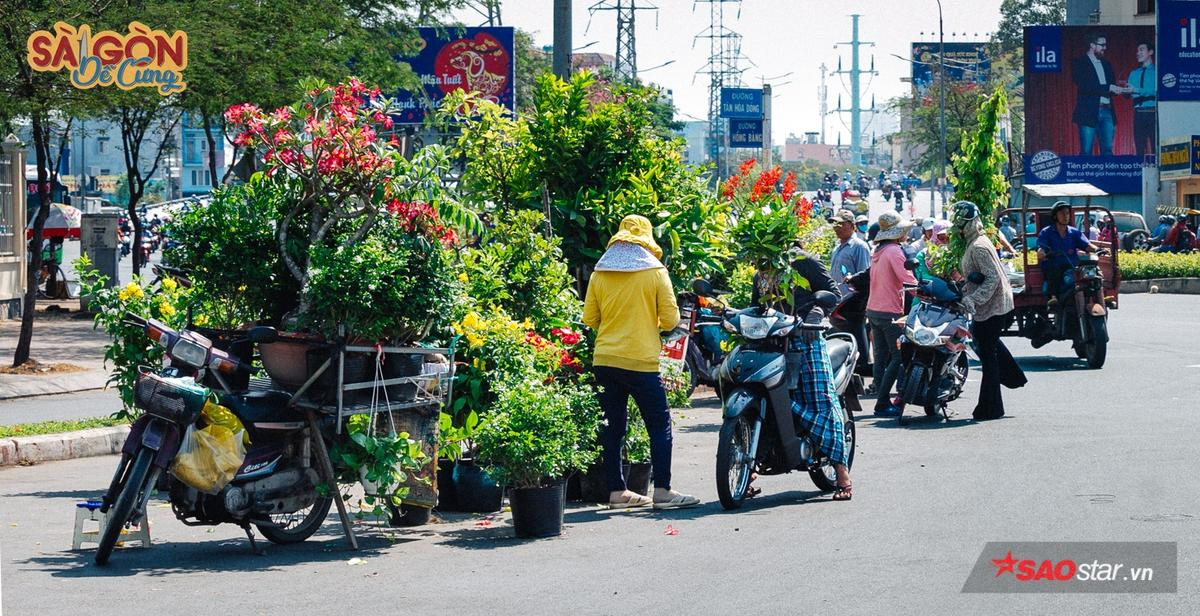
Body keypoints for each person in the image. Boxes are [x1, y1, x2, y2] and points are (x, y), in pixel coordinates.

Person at [583, 215, 699, 510]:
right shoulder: (655, 272)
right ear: (647, 239)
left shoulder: (600, 272)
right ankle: (662, 490)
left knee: (613, 428)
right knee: (659, 425)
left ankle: (617, 492)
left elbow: (590, 319)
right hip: (641, 360)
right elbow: (672, 319)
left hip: (606, 359)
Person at [751, 240, 853, 500]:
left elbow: (833, 292)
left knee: (821, 401)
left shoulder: (804, 261)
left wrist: (817, 312)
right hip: (770, 342)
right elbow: (755, 306)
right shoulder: (761, 272)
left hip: (806, 338)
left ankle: (842, 474)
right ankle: (746, 466)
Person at [951, 202, 1027, 421]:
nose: (960, 228)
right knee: (987, 347)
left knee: (988, 356)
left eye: (963, 224)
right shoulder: (973, 243)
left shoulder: (979, 246)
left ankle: (991, 407)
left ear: (972, 223)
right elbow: (978, 276)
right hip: (988, 306)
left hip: (993, 307)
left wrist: (973, 299)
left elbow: (992, 278)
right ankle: (1014, 377)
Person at [866, 212, 917, 417]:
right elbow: (907, 279)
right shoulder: (894, 251)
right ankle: (881, 403)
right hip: (889, 312)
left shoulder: (878, 250)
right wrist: (922, 288)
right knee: (898, 357)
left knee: (880, 357)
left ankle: (881, 397)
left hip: (874, 310)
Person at [1036, 201, 1101, 301]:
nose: (1065, 216)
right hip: (1054, 267)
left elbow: (1087, 245)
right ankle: (1053, 299)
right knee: (1053, 274)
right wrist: (1042, 253)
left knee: (1094, 277)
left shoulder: (1074, 232)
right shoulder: (1046, 232)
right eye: (1062, 213)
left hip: (1072, 267)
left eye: (1067, 213)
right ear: (1055, 216)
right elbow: (1041, 248)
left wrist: (1098, 249)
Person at [1071, 31, 1121, 156]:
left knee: (1108, 151)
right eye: (1102, 45)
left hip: (1107, 110)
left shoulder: (1107, 64)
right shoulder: (1079, 62)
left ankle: (1107, 176)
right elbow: (1085, 86)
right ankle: (1085, 175)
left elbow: (1110, 87)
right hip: (1088, 111)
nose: (1105, 48)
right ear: (1092, 45)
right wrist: (1109, 87)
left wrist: (1120, 89)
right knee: (1086, 151)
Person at [829, 210, 872, 296]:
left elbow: (863, 277)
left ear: (852, 225)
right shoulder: (837, 248)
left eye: (841, 224)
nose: (837, 227)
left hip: (850, 301)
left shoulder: (859, 246)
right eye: (835, 224)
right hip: (837, 300)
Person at [1126, 41, 1157, 158]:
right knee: (1139, 148)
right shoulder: (1133, 73)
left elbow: (1156, 91)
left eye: (1141, 50)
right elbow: (1130, 93)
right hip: (1138, 114)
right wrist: (1123, 91)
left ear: (1150, 52)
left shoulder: (1157, 72)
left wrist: (1137, 90)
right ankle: (1140, 174)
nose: (1138, 53)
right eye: (1137, 51)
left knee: (1156, 146)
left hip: (1153, 113)